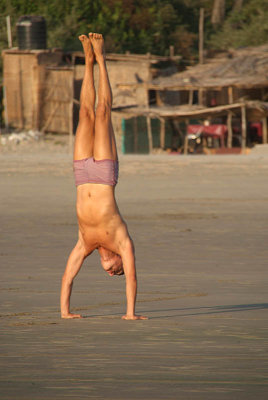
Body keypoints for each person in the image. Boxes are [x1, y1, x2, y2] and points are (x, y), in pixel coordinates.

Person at [60, 33, 147, 321]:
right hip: (104, 174)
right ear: (122, 260)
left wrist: (65, 311)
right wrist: (130, 313)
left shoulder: (85, 243)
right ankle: (102, 57)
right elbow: (132, 279)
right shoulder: (123, 242)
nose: (112, 269)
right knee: (102, 113)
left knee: (84, 113)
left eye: (110, 272)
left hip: (82, 174)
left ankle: (87, 61)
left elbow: (69, 276)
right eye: (116, 269)